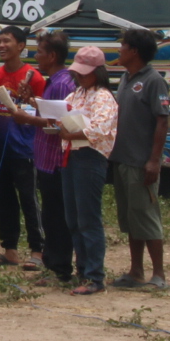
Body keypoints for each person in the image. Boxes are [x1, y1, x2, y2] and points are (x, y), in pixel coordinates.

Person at [110, 28, 170, 290]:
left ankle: (159, 274)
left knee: (146, 216)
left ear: (134, 51)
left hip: (140, 161)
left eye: (123, 45)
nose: (119, 49)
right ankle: (136, 270)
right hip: (122, 159)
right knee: (130, 218)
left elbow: (162, 121)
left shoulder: (154, 81)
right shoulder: (126, 78)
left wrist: (154, 160)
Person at [55, 46, 118, 295]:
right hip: (72, 154)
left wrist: (71, 132)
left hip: (90, 157)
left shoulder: (103, 97)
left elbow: (101, 128)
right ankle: (83, 270)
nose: (80, 77)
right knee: (74, 218)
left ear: (98, 72)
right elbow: (61, 111)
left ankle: (95, 275)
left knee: (88, 218)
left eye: (85, 73)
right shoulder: (77, 93)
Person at [0, 25, 45, 268]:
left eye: (7, 41)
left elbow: (42, 112)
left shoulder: (34, 77)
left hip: (25, 148)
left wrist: (27, 103)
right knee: (3, 200)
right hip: (0, 149)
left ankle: (37, 250)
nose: (1, 46)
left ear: (21, 46)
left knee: (29, 199)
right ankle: (10, 249)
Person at [30, 30, 76, 284]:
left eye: (39, 52)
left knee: (57, 216)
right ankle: (52, 261)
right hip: (46, 159)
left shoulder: (61, 83)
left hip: (56, 159)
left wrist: (27, 117)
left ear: (53, 55)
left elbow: (59, 121)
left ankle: (60, 267)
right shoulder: (53, 81)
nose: (36, 57)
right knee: (50, 214)